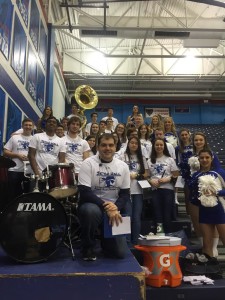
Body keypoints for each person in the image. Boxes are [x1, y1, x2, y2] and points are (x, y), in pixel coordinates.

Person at [78, 133, 130, 261]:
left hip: (113, 208)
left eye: (111, 145)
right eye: (104, 145)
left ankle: (106, 242)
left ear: (115, 147)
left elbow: (125, 194)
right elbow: (85, 192)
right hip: (94, 205)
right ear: (98, 146)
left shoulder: (123, 166)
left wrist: (115, 207)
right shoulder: (88, 163)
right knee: (89, 211)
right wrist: (107, 207)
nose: (108, 148)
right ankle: (88, 246)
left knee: (119, 253)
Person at [188, 131, 221, 256]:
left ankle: (214, 248)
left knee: (214, 220)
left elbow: (218, 170)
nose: (198, 142)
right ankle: (204, 246)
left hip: (211, 190)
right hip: (195, 188)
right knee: (196, 218)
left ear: (205, 141)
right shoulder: (190, 154)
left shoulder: (212, 154)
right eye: (196, 140)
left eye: (200, 140)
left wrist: (211, 185)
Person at [118, 136, 148, 244]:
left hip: (138, 190)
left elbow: (147, 173)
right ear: (128, 144)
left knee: (136, 217)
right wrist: (126, 175)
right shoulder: (122, 156)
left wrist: (137, 175)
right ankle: (125, 241)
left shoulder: (142, 157)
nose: (134, 145)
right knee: (127, 215)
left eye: (136, 143)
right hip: (125, 190)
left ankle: (135, 241)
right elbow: (117, 170)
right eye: (132, 143)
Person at [147, 138, 179, 234]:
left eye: (161, 145)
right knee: (157, 213)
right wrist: (150, 181)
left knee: (167, 213)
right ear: (154, 147)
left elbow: (176, 175)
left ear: (164, 147)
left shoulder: (170, 160)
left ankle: (168, 234)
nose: (159, 147)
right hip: (155, 190)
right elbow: (146, 175)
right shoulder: (149, 160)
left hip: (168, 189)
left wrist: (168, 179)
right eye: (157, 145)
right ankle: (159, 234)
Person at [4, 118, 34, 199]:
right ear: (22, 126)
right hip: (14, 170)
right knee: (12, 195)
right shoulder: (14, 138)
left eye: (30, 125)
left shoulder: (35, 139)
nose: (28, 127)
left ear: (33, 127)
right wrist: (18, 155)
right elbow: (5, 152)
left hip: (29, 171)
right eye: (26, 125)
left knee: (28, 196)